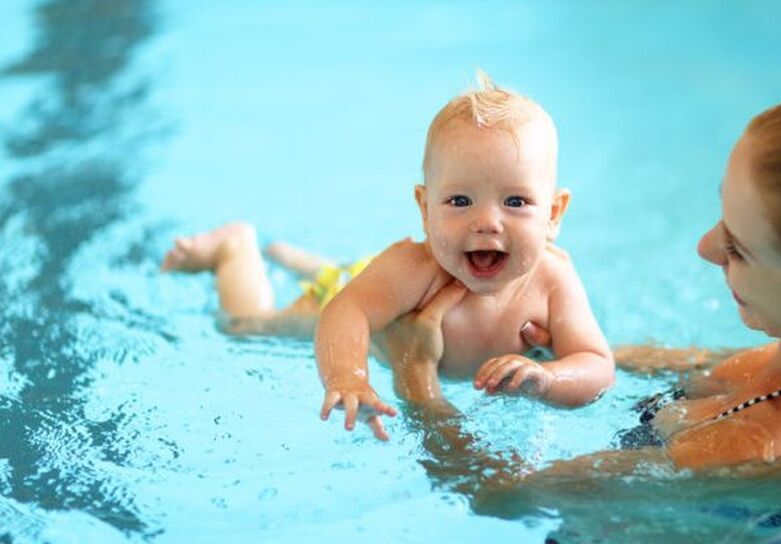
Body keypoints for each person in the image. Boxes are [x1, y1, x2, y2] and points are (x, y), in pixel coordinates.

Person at [389, 86, 781, 476]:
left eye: (740, 247)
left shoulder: (753, 446)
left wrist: (417, 381)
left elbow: (503, 497)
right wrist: (576, 356)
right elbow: (723, 368)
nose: (705, 247)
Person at [161, 72, 616, 441]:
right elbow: (347, 308)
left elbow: (595, 363)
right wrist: (347, 374)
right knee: (250, 326)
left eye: (515, 202)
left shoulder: (553, 279)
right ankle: (234, 249)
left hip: (379, 284)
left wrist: (549, 378)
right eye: (460, 201)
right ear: (424, 208)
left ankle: (304, 260)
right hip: (363, 287)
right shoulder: (416, 268)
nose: (487, 222)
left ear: (554, 214)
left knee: (363, 279)